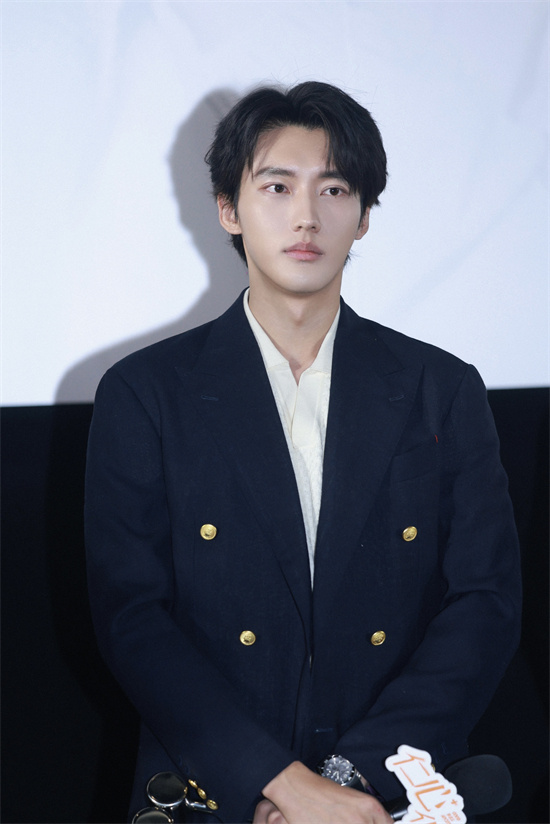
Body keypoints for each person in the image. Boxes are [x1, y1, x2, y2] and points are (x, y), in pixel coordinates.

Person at [85, 81, 521, 824]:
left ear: (364, 216)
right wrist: (275, 784)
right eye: (277, 186)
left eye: (335, 189)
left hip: (389, 794)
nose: (307, 216)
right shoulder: (145, 393)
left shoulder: (440, 389)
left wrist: (348, 781)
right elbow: (134, 620)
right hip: (212, 793)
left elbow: (485, 604)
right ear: (229, 208)